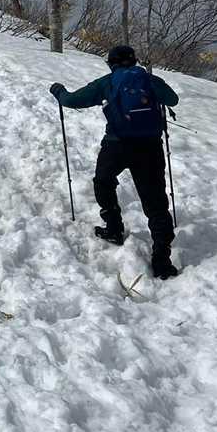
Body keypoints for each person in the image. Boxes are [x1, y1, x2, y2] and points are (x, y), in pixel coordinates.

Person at [50, 45, 180, 279]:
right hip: (150, 148)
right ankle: (162, 259)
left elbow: (72, 100)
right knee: (156, 203)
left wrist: (58, 91)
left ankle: (113, 227)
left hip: (117, 145)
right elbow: (173, 99)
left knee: (103, 181)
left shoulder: (107, 82)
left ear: (111, 63)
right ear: (135, 61)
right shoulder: (149, 80)